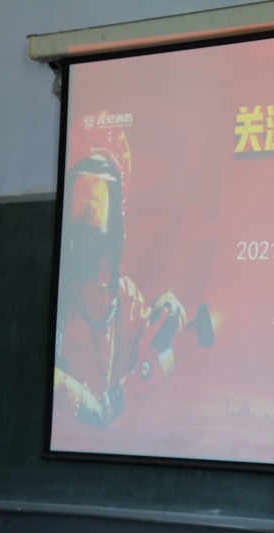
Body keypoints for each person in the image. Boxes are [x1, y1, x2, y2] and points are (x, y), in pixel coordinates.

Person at [53, 152, 186, 427]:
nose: (89, 217)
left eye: (95, 209)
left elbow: (147, 353)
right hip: (62, 435)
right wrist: (76, 401)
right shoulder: (60, 290)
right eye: (82, 210)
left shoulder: (124, 296)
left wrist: (168, 316)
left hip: (105, 443)